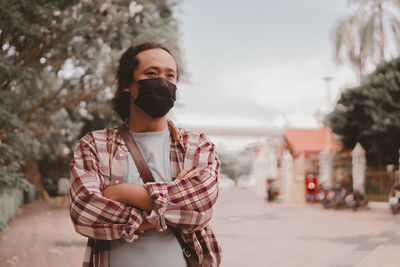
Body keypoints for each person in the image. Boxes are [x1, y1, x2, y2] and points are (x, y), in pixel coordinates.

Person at [69, 42, 221, 267]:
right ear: (127, 84)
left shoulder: (197, 146)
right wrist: (172, 204)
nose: (163, 82)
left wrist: (122, 192)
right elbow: (84, 213)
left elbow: (200, 209)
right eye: (152, 73)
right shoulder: (94, 145)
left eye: (171, 76)